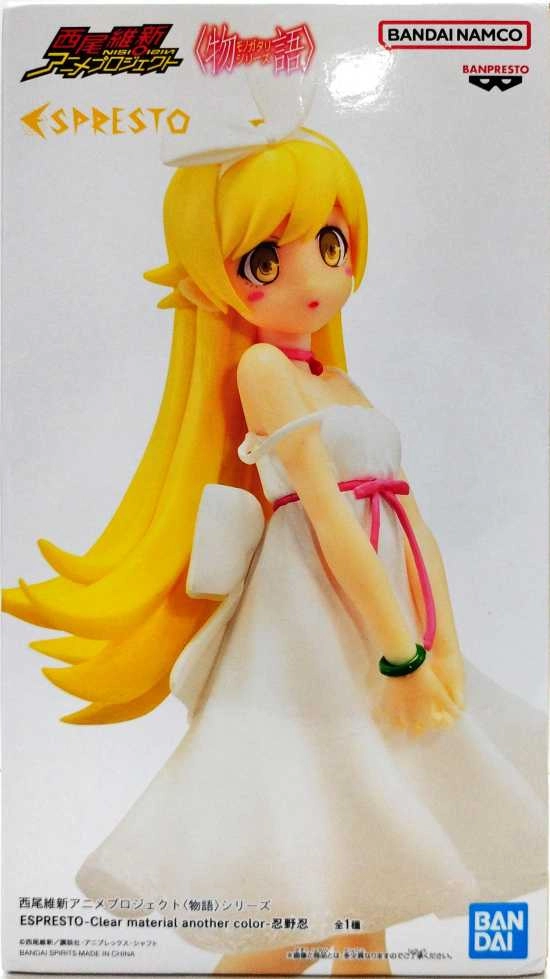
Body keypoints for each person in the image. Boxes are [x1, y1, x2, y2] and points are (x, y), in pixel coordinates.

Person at [3, 127, 545, 976]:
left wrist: (440, 641)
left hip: (386, 617)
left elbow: (411, 518)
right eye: (266, 260)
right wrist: (398, 653)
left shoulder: (341, 381)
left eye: (331, 243)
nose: (314, 276)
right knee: (319, 887)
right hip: (320, 629)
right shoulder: (265, 369)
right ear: (216, 275)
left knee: (370, 883)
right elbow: (328, 517)